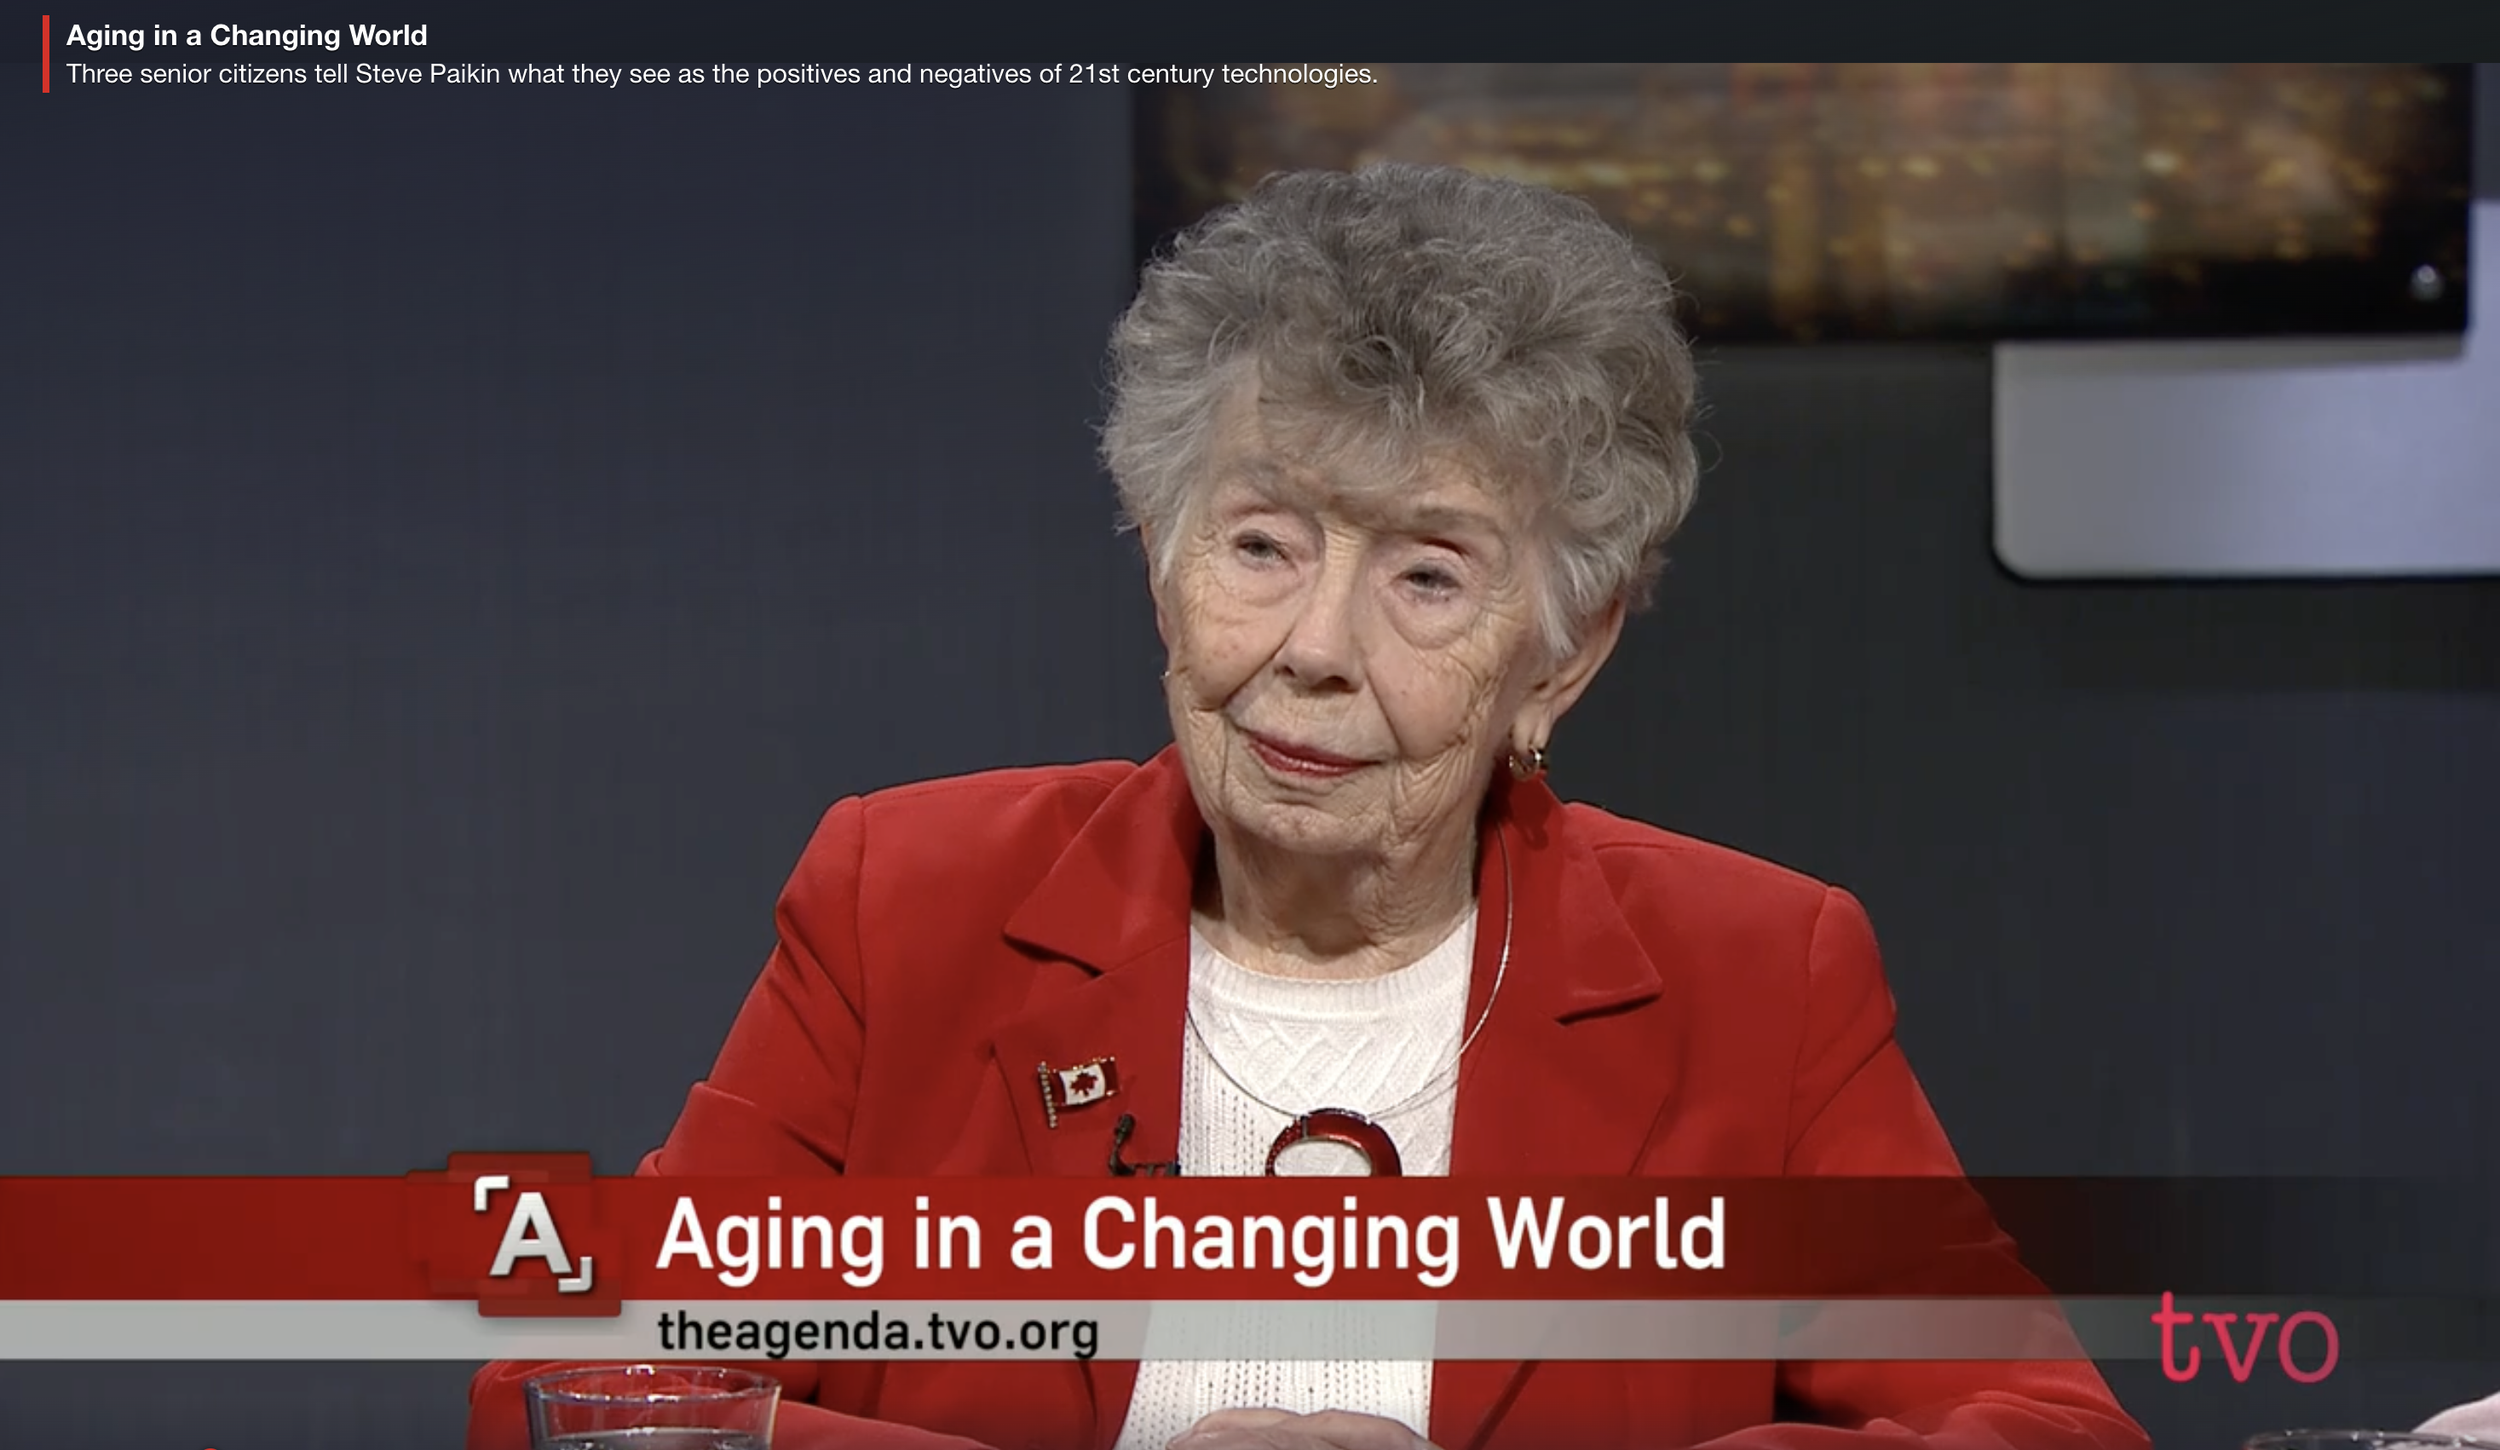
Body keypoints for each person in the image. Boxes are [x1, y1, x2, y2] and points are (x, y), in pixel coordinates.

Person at [467, 163, 2148, 1450]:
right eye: (1263, 543)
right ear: (1160, 558)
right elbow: (570, 1385)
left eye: (1428, 574)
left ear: (1564, 650)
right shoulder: (905, 901)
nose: (1317, 648)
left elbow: (2053, 1427)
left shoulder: (1755, 977)